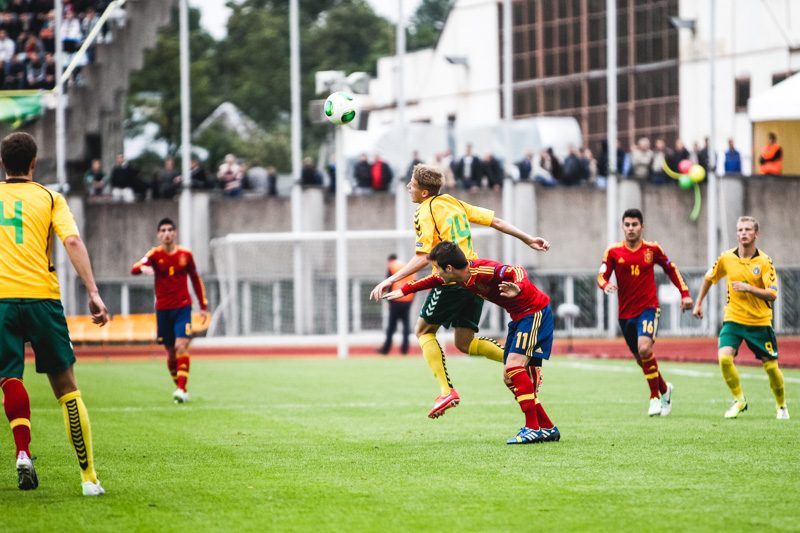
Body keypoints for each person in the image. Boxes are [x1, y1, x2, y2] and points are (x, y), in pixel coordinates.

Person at [370, 164, 550, 419]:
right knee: (464, 343)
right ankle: (525, 363)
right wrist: (528, 238)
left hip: (450, 278)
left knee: (422, 331)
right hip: (473, 276)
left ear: (423, 192)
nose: (409, 187)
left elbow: (423, 256)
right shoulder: (453, 202)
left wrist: (393, 279)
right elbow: (496, 221)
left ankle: (446, 391)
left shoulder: (424, 210)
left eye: (412, 184)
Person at [0, 132, 108, 495]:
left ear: (2, 164)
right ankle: (89, 479)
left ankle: (23, 452)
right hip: (42, 299)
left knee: (10, 378)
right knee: (66, 388)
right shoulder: (50, 197)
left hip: (1, 301)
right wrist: (93, 292)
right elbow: (73, 241)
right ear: (34, 163)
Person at [384, 241, 559, 444]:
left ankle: (532, 428)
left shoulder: (482, 269)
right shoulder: (456, 277)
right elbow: (432, 281)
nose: (436, 272)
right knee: (510, 377)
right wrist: (403, 290)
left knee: (513, 368)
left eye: (438, 268)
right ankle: (546, 427)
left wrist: (518, 288)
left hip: (534, 312)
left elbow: (516, 270)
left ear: (448, 268)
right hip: (520, 318)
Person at [597, 208, 692, 417]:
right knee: (642, 358)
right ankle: (665, 389)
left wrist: (685, 293)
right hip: (625, 314)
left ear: (642, 227)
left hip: (648, 308)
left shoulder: (653, 249)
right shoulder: (613, 251)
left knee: (645, 349)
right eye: (627, 225)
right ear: (622, 227)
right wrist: (604, 285)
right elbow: (602, 275)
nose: (631, 229)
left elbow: (671, 269)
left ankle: (654, 398)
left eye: (635, 225)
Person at [692, 216, 788, 420]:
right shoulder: (726, 258)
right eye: (740, 230)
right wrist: (699, 302)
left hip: (759, 322)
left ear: (756, 234)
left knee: (771, 367)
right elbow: (709, 278)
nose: (743, 233)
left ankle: (781, 406)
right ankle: (739, 399)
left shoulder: (764, 261)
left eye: (747, 229)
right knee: (724, 358)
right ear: (736, 234)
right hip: (733, 319)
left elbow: (772, 294)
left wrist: (748, 288)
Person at [131, 218, 209, 403]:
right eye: (163, 230)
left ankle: (181, 389)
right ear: (159, 234)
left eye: (170, 230)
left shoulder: (186, 255)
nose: (166, 233)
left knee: (181, 346)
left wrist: (203, 306)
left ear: (175, 233)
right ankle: (180, 387)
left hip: (183, 307)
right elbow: (134, 269)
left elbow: (196, 280)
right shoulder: (154, 255)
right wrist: (143, 269)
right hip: (163, 309)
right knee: (170, 352)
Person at [377, 254, 415, 356]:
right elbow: (414, 282)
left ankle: (386, 349)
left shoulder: (392, 266)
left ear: (389, 260)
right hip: (408, 297)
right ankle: (405, 349)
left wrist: (388, 300)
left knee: (391, 325)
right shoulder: (406, 265)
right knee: (406, 324)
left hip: (396, 298)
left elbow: (388, 283)